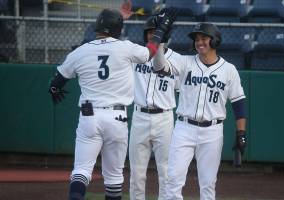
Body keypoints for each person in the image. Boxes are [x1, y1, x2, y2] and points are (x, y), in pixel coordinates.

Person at [48, 8, 176, 200]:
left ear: (98, 26)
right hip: (117, 118)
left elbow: (57, 80)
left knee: (82, 171)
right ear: (118, 29)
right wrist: (160, 30)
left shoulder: (81, 51)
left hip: (89, 116)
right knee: (114, 177)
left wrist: (54, 89)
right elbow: (150, 52)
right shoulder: (125, 47)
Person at [152, 22, 247, 200]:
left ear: (215, 41)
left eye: (204, 38)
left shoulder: (229, 70)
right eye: (197, 39)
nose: (199, 42)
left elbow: (238, 103)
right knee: (172, 180)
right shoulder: (185, 62)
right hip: (184, 128)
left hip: (212, 131)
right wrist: (160, 43)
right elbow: (158, 66)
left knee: (208, 183)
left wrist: (241, 132)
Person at [129, 15, 178, 200]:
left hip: (164, 119)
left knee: (166, 172)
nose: (153, 35)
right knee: (136, 173)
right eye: (150, 32)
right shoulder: (136, 56)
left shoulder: (177, 60)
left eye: (157, 32)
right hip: (139, 116)